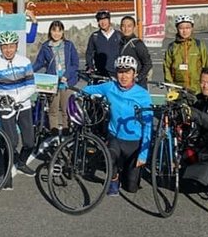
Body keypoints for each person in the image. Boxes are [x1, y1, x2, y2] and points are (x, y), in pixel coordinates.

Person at [81, 55, 152, 197]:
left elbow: (148, 126)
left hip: (134, 143)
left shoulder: (143, 95)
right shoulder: (110, 87)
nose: (124, 76)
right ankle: (114, 178)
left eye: (127, 72)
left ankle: (126, 170)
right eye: (120, 72)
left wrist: (143, 155)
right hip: (115, 138)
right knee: (109, 158)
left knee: (131, 187)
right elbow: (87, 89)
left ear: (134, 74)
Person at [0, 30, 37, 182]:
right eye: (4, 47)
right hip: (5, 108)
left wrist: (17, 98)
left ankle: (21, 163)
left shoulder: (24, 62)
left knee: (30, 142)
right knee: (11, 142)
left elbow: (31, 86)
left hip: (23, 105)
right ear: (0, 48)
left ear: (16, 46)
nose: (8, 50)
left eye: (11, 46)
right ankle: (6, 175)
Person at [32, 20, 79, 134]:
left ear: (63, 32)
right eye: (54, 30)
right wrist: (29, 72)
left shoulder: (69, 45)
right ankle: (53, 133)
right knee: (53, 110)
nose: (56, 33)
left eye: (59, 31)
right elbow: (39, 62)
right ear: (50, 32)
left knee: (65, 109)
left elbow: (75, 64)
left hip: (67, 82)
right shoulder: (45, 46)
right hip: (52, 82)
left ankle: (66, 133)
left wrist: (66, 76)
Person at [163, 14, 208, 94]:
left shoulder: (199, 45)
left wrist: (206, 85)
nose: (184, 31)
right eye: (181, 28)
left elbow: (207, 66)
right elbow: (167, 68)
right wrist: (170, 86)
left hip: (197, 89)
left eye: (187, 28)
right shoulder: (172, 47)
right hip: (178, 89)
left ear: (192, 28)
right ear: (177, 29)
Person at [85, 9, 123, 78]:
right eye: (100, 20)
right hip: (100, 73)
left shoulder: (119, 35)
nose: (103, 22)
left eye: (105, 19)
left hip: (117, 72)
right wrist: (90, 66)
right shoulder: (95, 36)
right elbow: (89, 53)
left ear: (109, 20)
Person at [119, 16, 152, 88]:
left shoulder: (137, 44)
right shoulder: (120, 43)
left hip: (137, 84)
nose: (126, 29)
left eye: (129, 26)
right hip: (124, 83)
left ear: (134, 28)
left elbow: (148, 63)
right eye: (123, 26)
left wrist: (138, 78)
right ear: (120, 27)